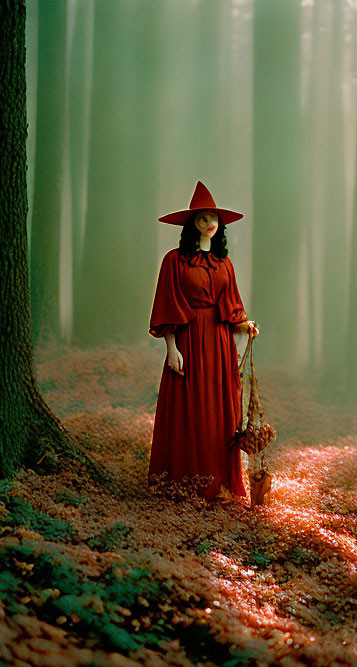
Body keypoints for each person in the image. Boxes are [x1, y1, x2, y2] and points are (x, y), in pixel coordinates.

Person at [147, 181, 259, 502]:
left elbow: (233, 312)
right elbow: (167, 306)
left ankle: (219, 484)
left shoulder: (225, 264)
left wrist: (246, 327)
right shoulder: (174, 261)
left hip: (220, 345)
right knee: (189, 410)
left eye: (214, 218)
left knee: (220, 412)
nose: (210, 223)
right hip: (188, 341)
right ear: (191, 223)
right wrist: (171, 348)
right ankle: (183, 482)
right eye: (203, 218)